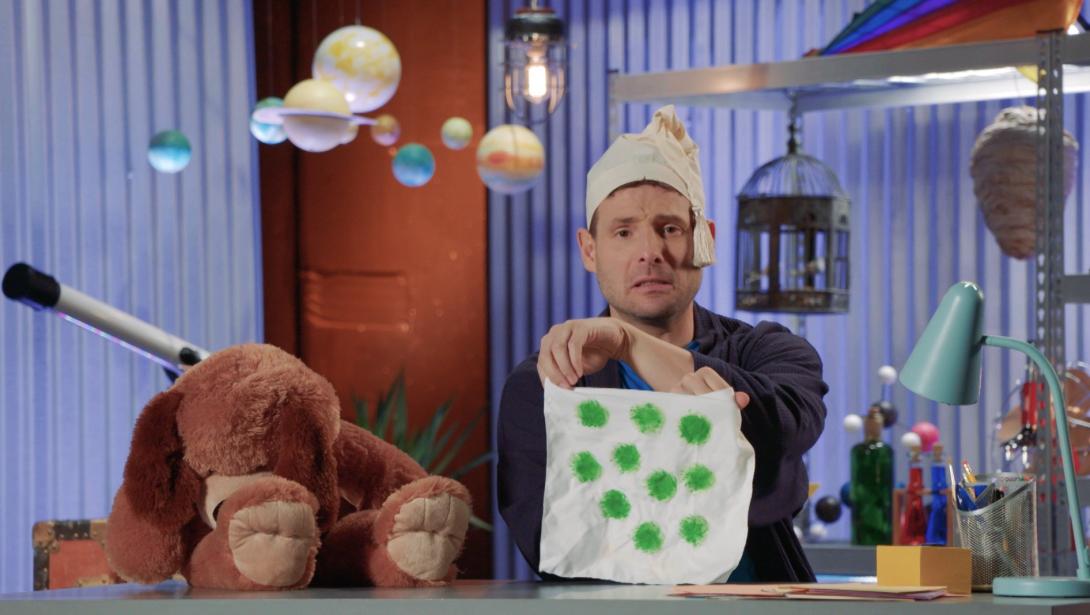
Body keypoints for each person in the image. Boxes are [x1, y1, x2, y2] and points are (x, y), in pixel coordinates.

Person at [497, 105, 829, 582]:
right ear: (589, 250)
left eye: (670, 229)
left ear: (705, 239)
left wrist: (627, 344)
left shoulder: (770, 352)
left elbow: (783, 443)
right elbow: (548, 539)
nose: (649, 252)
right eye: (623, 232)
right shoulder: (546, 384)